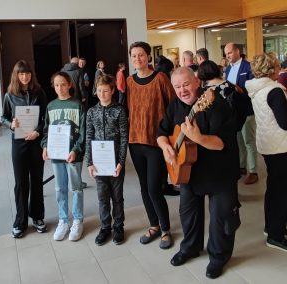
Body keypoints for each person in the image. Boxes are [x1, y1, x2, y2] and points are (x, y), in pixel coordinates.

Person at [157, 67, 240, 279]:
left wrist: (199, 137)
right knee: (188, 214)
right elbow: (162, 132)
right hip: (188, 172)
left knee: (221, 219)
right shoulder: (174, 106)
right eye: (177, 87)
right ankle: (190, 248)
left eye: (186, 84)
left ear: (196, 81)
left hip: (220, 172)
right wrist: (166, 148)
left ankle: (218, 257)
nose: (182, 90)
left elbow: (222, 143)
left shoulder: (215, 104)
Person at [127, 41, 176, 249]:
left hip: (157, 142)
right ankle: (153, 225)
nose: (137, 59)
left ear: (148, 57)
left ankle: (166, 229)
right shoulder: (129, 81)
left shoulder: (160, 78)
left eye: (141, 55)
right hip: (135, 141)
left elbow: (173, 107)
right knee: (144, 189)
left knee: (155, 188)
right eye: (134, 56)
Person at [1, 60, 48, 238]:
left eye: (27, 73)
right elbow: (3, 116)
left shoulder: (39, 92)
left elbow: (46, 117)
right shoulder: (10, 94)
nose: (25, 76)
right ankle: (20, 221)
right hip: (19, 142)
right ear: (16, 75)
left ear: (31, 74)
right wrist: (11, 125)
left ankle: (37, 217)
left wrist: (37, 132)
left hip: (35, 141)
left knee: (36, 180)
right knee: (21, 183)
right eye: (21, 74)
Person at [246, 52, 287, 252]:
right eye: (277, 66)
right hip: (281, 146)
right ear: (272, 69)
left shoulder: (256, 89)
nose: (280, 69)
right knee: (281, 191)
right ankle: (276, 235)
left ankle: (271, 227)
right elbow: (285, 122)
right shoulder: (275, 90)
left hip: (268, 144)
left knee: (273, 188)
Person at [41, 71, 86, 241]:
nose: (60, 88)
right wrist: (45, 146)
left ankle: (78, 220)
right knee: (60, 189)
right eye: (57, 85)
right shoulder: (51, 106)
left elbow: (83, 132)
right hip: (56, 155)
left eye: (63, 84)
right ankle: (63, 220)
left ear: (69, 85)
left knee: (76, 188)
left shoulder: (77, 105)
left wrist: (76, 150)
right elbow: (46, 129)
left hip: (73, 155)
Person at [85, 74, 128, 246]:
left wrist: (121, 162)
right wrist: (89, 162)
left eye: (106, 91)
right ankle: (105, 227)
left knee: (117, 196)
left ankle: (118, 226)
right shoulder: (91, 112)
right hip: (98, 163)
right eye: (99, 91)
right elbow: (88, 136)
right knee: (102, 197)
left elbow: (124, 137)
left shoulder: (119, 110)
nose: (102, 94)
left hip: (116, 162)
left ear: (112, 91)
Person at [224, 42, 258, 185]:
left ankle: (253, 171)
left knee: (249, 141)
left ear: (237, 51)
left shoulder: (247, 66)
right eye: (226, 54)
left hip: (247, 109)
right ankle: (242, 166)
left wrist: (240, 90)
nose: (228, 56)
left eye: (230, 53)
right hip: (234, 111)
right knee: (239, 141)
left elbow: (253, 88)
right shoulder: (227, 69)